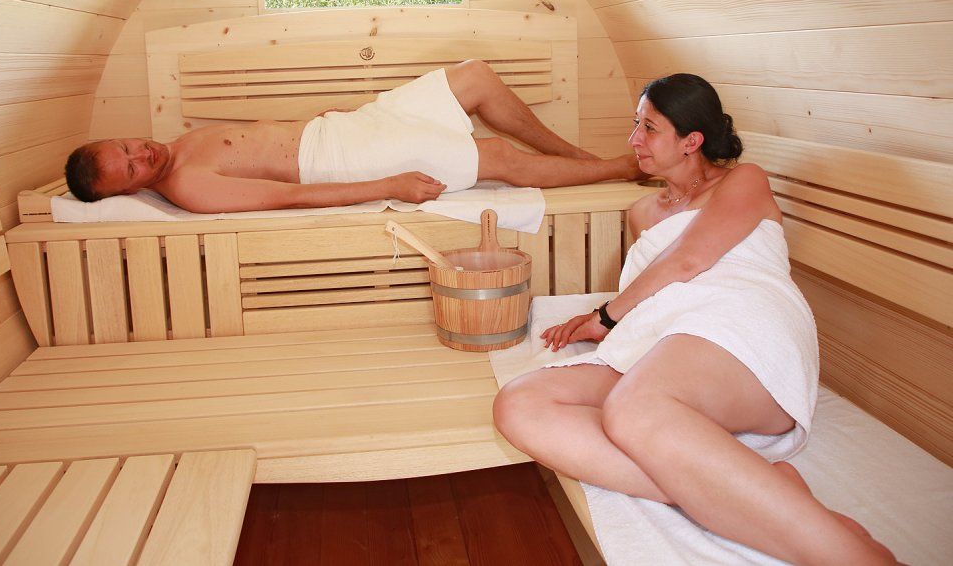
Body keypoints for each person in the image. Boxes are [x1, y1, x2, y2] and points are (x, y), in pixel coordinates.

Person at [493, 73, 898, 564]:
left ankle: (854, 556)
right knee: (520, 404)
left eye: (649, 128)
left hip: (744, 326)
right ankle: (757, 490)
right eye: (635, 124)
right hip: (667, 339)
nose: (634, 139)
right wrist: (611, 320)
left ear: (692, 141)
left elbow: (689, 260)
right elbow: (656, 290)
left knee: (632, 410)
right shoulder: (643, 211)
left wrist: (605, 317)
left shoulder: (744, 180)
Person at [64, 59, 644, 213]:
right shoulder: (190, 185)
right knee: (495, 156)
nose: (141, 154)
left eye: (126, 147)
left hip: (342, 129)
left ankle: (579, 157)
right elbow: (291, 196)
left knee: (476, 77)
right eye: (132, 169)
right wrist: (388, 185)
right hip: (341, 159)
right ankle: (622, 168)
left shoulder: (176, 146)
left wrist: (326, 117)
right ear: (129, 191)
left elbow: (265, 141)